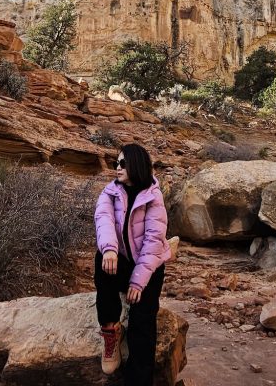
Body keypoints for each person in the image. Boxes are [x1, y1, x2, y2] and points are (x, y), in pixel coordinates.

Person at [94, 143, 171, 384]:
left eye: (123, 164)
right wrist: (109, 250)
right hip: (122, 260)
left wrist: (138, 283)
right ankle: (110, 331)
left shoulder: (153, 197)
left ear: (136, 165)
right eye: (116, 163)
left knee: (142, 322)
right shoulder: (110, 192)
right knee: (101, 259)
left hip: (149, 266)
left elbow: (151, 242)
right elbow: (103, 220)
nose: (118, 168)